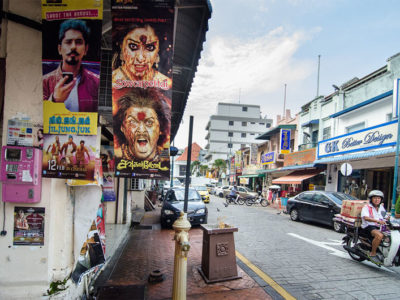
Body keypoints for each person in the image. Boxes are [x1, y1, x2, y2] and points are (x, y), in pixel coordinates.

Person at [43, 19, 99, 112]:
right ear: (60, 49)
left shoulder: (97, 83)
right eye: (68, 42)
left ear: (86, 49)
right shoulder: (45, 82)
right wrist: (54, 99)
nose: (73, 46)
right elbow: (40, 116)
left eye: (78, 42)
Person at [114, 89, 170, 162]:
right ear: (123, 127)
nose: (141, 130)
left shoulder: (165, 158)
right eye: (133, 122)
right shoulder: (116, 156)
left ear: (160, 128)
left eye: (149, 122)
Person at [112, 24, 172, 90]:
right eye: (133, 46)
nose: (140, 59)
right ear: (121, 46)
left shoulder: (167, 85)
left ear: (158, 50)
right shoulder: (112, 82)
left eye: (150, 47)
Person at [360, 190, 388, 265]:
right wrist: (377, 221)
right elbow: (365, 217)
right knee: (379, 235)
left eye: (379, 198)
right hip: (368, 226)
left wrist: (388, 218)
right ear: (371, 199)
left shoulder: (381, 207)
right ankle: (373, 253)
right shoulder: (367, 207)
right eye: (375, 198)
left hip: (378, 226)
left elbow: (385, 216)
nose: (377, 200)